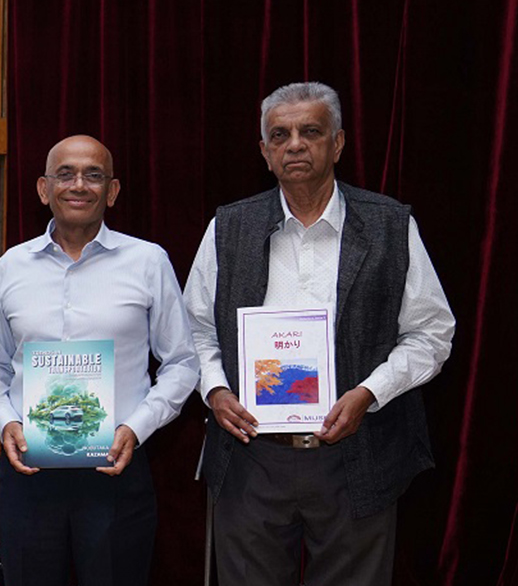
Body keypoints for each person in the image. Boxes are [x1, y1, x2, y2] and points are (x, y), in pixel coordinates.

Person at [186, 82, 455, 585]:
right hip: (252, 459)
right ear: (264, 152)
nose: (294, 145)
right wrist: (216, 390)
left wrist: (368, 393)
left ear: (338, 143)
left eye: (311, 132)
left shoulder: (389, 225)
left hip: (360, 453)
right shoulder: (229, 227)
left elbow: (431, 333)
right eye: (279, 135)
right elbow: (195, 331)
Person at [0, 135, 199, 586]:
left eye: (93, 175)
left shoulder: (148, 261)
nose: (78, 185)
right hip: (30, 471)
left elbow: (182, 362)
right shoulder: (11, 265)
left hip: (115, 470)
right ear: (44, 189)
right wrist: (6, 422)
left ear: (113, 191)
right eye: (65, 174)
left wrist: (136, 428)